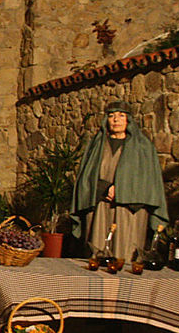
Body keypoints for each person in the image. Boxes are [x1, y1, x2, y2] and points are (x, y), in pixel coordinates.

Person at [71, 100, 168, 261]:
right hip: (100, 205)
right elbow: (85, 178)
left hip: (131, 211)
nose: (116, 120)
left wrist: (122, 189)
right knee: (98, 253)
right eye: (111, 116)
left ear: (128, 120)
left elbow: (150, 182)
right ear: (106, 120)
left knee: (127, 255)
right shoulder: (96, 145)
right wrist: (104, 188)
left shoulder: (143, 146)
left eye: (121, 115)